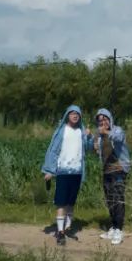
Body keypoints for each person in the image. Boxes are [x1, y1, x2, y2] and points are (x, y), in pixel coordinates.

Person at [41, 104, 89, 246]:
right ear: (67, 115)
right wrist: (49, 170)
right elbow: (53, 151)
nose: (75, 115)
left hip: (77, 172)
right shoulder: (62, 130)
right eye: (72, 113)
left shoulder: (81, 131)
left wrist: (89, 136)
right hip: (63, 171)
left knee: (71, 203)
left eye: (77, 114)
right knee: (61, 203)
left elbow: (88, 148)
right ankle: (60, 232)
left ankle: (68, 228)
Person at [90, 108, 130, 245]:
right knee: (110, 199)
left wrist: (105, 132)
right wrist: (93, 143)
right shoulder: (99, 135)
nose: (102, 122)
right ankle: (113, 226)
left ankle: (119, 229)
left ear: (110, 119)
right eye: (100, 120)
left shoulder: (117, 130)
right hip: (106, 169)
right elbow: (95, 150)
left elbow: (118, 138)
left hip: (119, 169)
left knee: (118, 198)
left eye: (105, 119)